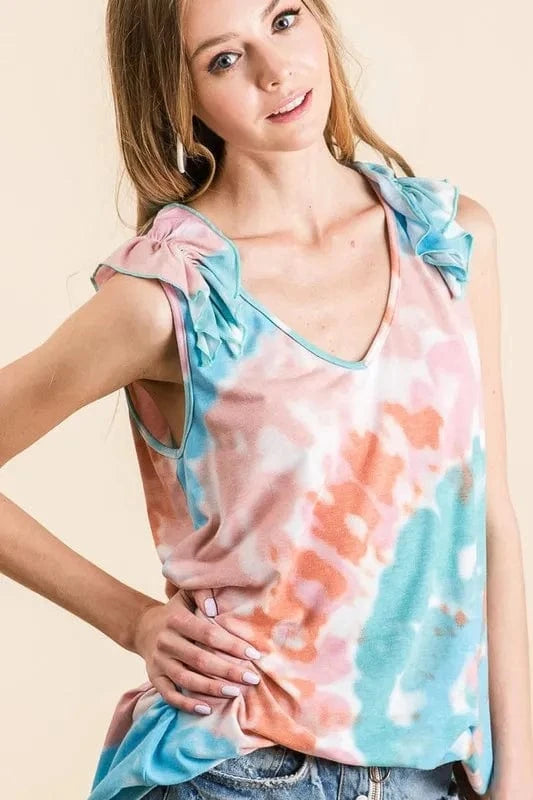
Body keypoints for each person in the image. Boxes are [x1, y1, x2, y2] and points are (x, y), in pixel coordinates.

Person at [1, 0, 531, 798]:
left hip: (435, 773)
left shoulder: (447, 242)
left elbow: (488, 515)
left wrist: (516, 774)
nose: (274, 71)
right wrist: (130, 619)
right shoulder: (172, 296)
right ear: (179, 95)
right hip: (240, 771)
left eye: (282, 19)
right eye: (223, 58)